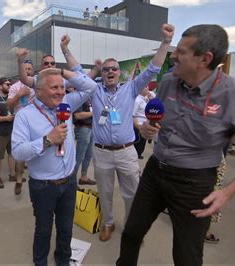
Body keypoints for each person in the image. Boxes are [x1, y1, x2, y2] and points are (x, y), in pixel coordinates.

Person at [117, 24, 235, 266]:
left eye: (181, 52)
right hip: (155, 172)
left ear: (204, 59)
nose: (173, 56)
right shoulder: (167, 81)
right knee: (132, 232)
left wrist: (228, 192)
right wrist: (146, 128)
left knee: (187, 255)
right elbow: (157, 118)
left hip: (194, 183)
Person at [61, 24, 174, 242]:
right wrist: (65, 49)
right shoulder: (93, 90)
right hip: (102, 153)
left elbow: (153, 68)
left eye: (114, 68)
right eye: (106, 69)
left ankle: (132, 228)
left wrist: (166, 42)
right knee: (104, 193)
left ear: (118, 72)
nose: (110, 71)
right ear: (102, 73)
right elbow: (77, 72)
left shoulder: (130, 88)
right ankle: (108, 223)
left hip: (126, 152)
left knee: (132, 194)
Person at [12, 66, 97, 266]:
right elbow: (17, 152)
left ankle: (63, 261)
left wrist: (61, 71)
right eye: (54, 87)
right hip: (43, 186)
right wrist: (47, 140)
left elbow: (91, 87)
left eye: (62, 87)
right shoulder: (25, 116)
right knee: (43, 230)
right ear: (39, 90)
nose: (61, 91)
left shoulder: (66, 102)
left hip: (68, 183)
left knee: (66, 229)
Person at [7, 58, 35, 195]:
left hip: (36, 122)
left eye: (29, 69)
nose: (27, 71)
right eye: (25, 69)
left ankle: (36, 176)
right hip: (20, 123)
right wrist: (19, 95)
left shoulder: (38, 84)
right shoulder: (14, 87)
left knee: (38, 148)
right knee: (20, 152)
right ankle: (19, 178)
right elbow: (9, 105)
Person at [0, 77, 16, 189]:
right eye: (7, 84)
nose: (10, 86)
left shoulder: (11, 98)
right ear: (0, 86)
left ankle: (13, 175)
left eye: (10, 84)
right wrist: (6, 118)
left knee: (12, 154)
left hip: (12, 131)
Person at [71, 99, 96, 185]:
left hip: (91, 128)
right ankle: (71, 181)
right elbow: (77, 115)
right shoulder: (80, 98)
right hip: (82, 128)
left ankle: (83, 177)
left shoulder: (90, 98)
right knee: (79, 156)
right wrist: (95, 112)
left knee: (89, 155)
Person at [133, 86, 151, 159]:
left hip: (144, 124)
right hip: (139, 125)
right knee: (138, 143)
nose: (148, 88)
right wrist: (137, 125)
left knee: (142, 143)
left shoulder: (145, 99)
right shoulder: (137, 100)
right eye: (145, 87)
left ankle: (138, 154)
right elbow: (133, 114)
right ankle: (135, 156)